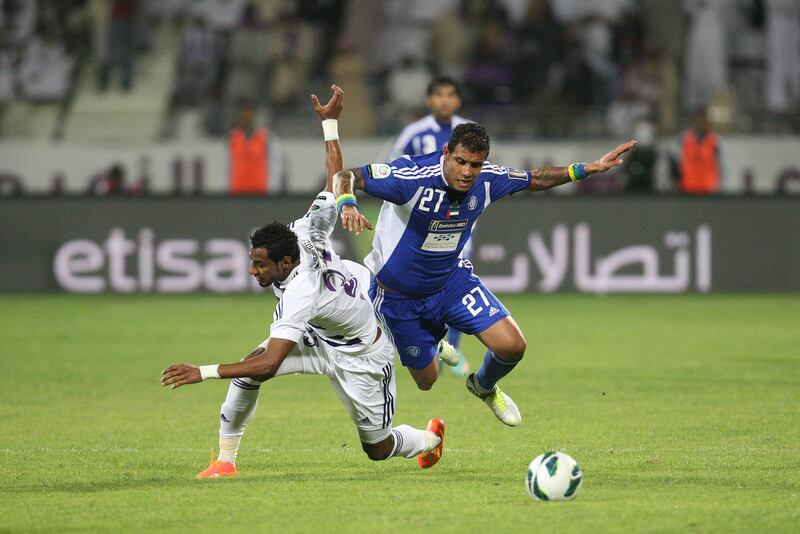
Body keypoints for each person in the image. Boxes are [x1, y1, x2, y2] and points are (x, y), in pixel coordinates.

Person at [160, 85, 445, 478]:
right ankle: (225, 461)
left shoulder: (300, 291)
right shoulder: (306, 229)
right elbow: (335, 180)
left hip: (363, 354)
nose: (253, 271)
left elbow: (271, 362)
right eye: (252, 261)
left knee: (377, 448)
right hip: (325, 331)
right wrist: (329, 124)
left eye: (260, 265)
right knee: (247, 369)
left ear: (286, 262)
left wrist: (203, 371)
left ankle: (430, 439)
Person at [332, 122, 635, 426]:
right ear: (446, 152)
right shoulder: (411, 177)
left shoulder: (488, 180)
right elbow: (346, 176)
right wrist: (347, 204)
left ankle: (483, 386)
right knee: (427, 380)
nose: (467, 172)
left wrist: (585, 169)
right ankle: (435, 340)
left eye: (475, 165)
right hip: (399, 297)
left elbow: (536, 179)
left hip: (450, 282)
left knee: (513, 346)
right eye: (461, 162)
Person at [390, 76, 472, 376]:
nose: (445, 100)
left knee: (454, 282)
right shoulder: (414, 133)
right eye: (439, 95)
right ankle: (433, 341)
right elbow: (393, 167)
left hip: (460, 223)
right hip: (423, 223)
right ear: (429, 100)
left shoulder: (468, 132)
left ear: (458, 100)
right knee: (422, 284)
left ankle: (454, 346)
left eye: (451, 94)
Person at [228, 102, 283, 194]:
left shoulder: (268, 138)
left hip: (260, 192)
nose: (247, 119)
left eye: (250, 115)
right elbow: (227, 167)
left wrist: (273, 190)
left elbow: (275, 166)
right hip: (237, 191)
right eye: (244, 115)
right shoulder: (232, 137)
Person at [677, 109, 725, 195]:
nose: (701, 123)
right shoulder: (685, 138)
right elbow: (679, 161)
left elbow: (721, 165)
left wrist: (720, 186)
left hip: (709, 187)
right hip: (688, 186)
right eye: (699, 120)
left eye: (703, 120)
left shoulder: (715, 140)